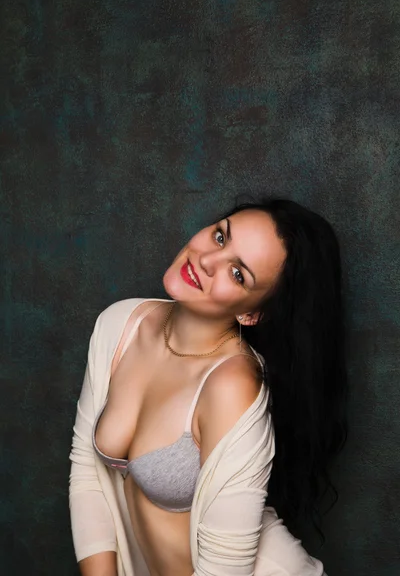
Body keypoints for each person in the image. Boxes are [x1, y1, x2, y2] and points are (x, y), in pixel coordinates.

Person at [69, 197, 347, 576]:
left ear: (252, 313)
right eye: (220, 237)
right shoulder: (119, 324)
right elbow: (87, 473)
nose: (206, 261)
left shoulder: (233, 386)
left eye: (238, 274)